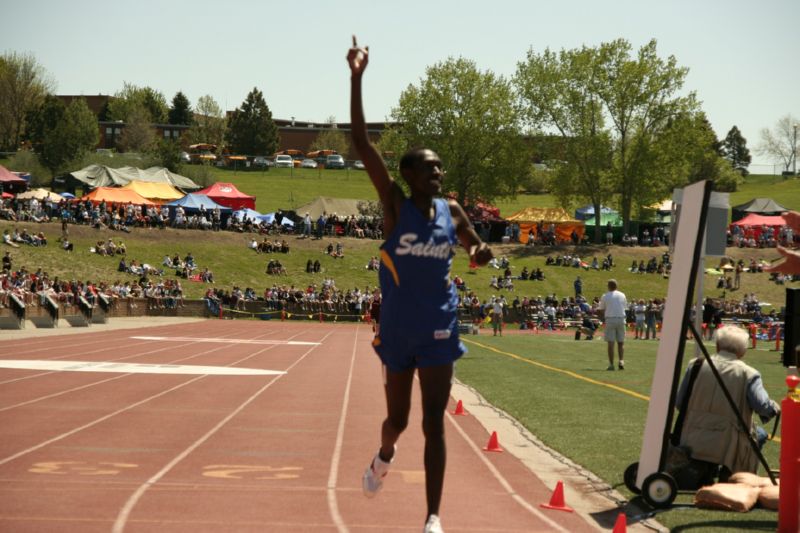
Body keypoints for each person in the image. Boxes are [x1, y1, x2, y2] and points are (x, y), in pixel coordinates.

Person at [349, 36, 493, 533]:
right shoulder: (394, 205)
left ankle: (433, 516)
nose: (437, 171)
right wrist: (357, 77)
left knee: (435, 421)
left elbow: (472, 238)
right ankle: (383, 453)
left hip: (439, 326)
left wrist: (478, 250)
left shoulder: (450, 210)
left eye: (439, 167)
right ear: (408, 174)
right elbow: (362, 145)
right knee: (402, 423)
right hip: (398, 329)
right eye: (428, 167)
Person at [675, 325, 780, 482]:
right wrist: (775, 407)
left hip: (692, 433)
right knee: (761, 434)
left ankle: (705, 468)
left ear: (717, 345)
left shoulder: (695, 365)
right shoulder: (749, 373)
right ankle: (734, 474)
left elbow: (680, 403)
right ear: (743, 351)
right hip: (729, 439)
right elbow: (763, 407)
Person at [598, 279, 628, 370]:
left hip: (610, 319)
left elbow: (601, 309)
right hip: (621, 319)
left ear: (608, 286)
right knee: (621, 342)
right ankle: (621, 361)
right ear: (616, 286)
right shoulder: (622, 295)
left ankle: (611, 365)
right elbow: (625, 307)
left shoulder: (605, 296)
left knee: (611, 343)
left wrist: (602, 319)